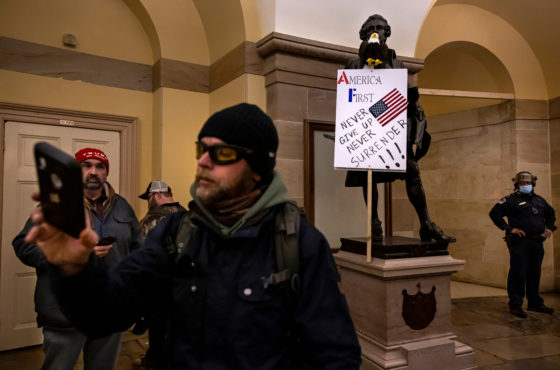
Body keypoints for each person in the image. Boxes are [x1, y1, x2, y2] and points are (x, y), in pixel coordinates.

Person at [25, 103, 362, 369]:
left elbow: (335, 356)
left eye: (222, 153)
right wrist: (74, 268)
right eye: (201, 148)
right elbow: (106, 312)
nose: (202, 161)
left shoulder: (299, 243)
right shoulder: (176, 233)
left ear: (257, 168)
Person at [12, 147, 141, 370]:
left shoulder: (123, 207)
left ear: (106, 173)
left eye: (100, 166)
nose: (93, 171)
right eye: (86, 166)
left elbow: (138, 249)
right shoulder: (54, 205)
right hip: (64, 313)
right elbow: (24, 246)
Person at [344, 14, 454, 242]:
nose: (376, 32)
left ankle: (425, 223)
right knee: (369, 175)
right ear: (364, 35)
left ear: (387, 33)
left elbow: (402, 98)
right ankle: (374, 222)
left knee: (412, 172)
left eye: (380, 28)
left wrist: (412, 103)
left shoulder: (397, 64)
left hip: (393, 127)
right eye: (371, 28)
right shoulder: (354, 65)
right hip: (368, 129)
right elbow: (350, 100)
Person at [489, 171, 556, 318]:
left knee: (534, 272)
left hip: (537, 241)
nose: (525, 185)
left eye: (528, 183)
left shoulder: (539, 200)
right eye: (522, 183)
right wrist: (509, 229)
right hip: (519, 242)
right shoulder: (510, 200)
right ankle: (515, 304)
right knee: (518, 272)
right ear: (517, 185)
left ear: (533, 184)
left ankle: (534, 303)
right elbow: (494, 214)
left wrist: (550, 227)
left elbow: (551, 214)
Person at [133, 180, 185, 369]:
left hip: (158, 288)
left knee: (157, 327)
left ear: (156, 195)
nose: (148, 202)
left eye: (148, 198)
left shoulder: (149, 221)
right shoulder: (188, 215)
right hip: (185, 288)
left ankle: (153, 360)